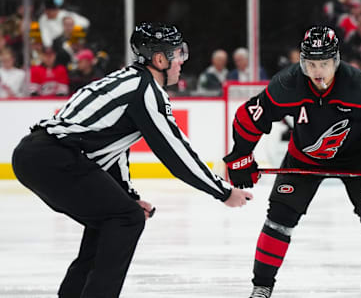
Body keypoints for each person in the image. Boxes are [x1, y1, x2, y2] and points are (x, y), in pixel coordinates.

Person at [11, 22, 252, 298]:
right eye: (178, 54)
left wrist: (127, 195)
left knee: (113, 217)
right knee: (127, 219)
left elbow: (114, 150)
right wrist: (222, 191)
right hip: (55, 159)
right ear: (160, 59)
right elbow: (175, 152)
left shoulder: (125, 80)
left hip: (38, 154)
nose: (182, 62)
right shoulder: (146, 91)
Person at [224, 25, 361, 298]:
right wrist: (241, 157)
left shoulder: (359, 88)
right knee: (279, 219)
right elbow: (250, 117)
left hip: (360, 159)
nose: (317, 72)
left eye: (324, 63)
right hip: (304, 159)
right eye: (311, 64)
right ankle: (261, 289)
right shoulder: (288, 84)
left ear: (335, 60)